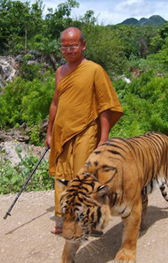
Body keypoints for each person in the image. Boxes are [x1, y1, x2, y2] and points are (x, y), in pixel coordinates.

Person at [45, 27, 123, 234]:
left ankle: (93, 221)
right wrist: (49, 132)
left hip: (86, 132)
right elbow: (55, 104)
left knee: (85, 178)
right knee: (62, 177)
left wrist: (103, 138)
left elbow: (105, 105)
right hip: (62, 134)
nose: (69, 50)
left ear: (83, 45)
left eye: (73, 45)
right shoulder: (60, 72)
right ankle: (64, 219)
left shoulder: (94, 70)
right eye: (65, 46)